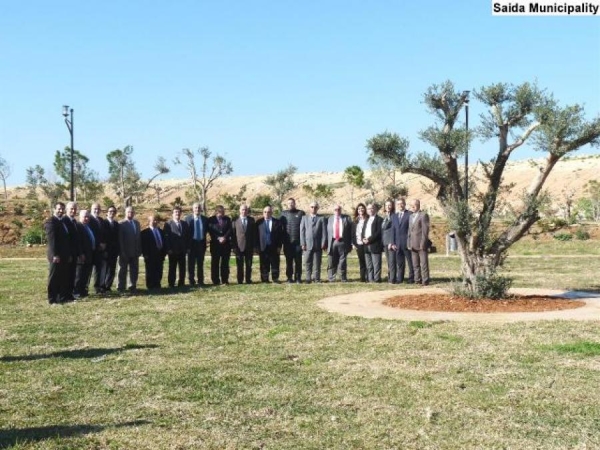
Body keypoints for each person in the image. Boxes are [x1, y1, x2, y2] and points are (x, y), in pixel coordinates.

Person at [44, 202, 71, 304]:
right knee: (54, 278)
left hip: (64, 255)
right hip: (56, 256)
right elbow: (52, 240)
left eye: (62, 209)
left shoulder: (62, 222)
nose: (61, 211)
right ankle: (52, 299)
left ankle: (61, 297)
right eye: (59, 209)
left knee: (62, 277)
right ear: (54, 209)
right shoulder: (51, 222)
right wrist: (54, 255)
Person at [299, 201, 327, 283]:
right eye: (312, 207)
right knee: (307, 262)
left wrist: (323, 243)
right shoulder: (304, 218)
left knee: (317, 263)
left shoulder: (322, 218)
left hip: (318, 245)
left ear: (317, 208)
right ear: (309, 208)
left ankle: (317, 278)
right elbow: (302, 232)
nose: (313, 208)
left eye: (315, 207)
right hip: (307, 245)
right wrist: (303, 243)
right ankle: (308, 278)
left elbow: (324, 232)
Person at [255, 205, 284, 283]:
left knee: (275, 263)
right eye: (265, 212)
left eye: (268, 212)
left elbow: (280, 235)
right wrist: (256, 247)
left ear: (271, 212)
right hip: (263, 247)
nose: (267, 213)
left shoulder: (277, 222)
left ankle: (275, 278)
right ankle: (265, 279)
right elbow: (256, 236)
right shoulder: (258, 222)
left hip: (274, 247)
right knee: (264, 264)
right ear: (263, 213)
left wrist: (279, 246)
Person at [163, 206, 190, 288]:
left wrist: (187, 248)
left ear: (181, 213)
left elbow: (187, 237)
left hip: (182, 250)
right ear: (172, 214)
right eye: (175, 212)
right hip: (172, 250)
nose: (177, 213)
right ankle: (171, 283)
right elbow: (166, 238)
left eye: (179, 212)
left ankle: (181, 283)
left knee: (182, 268)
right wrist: (168, 249)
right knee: (172, 267)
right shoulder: (168, 224)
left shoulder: (184, 224)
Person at [280, 198, 305, 283]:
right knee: (289, 262)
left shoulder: (301, 213)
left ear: (295, 203)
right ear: (287, 205)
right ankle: (289, 278)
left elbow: (304, 228)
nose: (290, 204)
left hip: (298, 242)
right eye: (289, 203)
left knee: (298, 261)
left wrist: (303, 242)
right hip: (288, 243)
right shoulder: (283, 214)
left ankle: (298, 278)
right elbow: (280, 229)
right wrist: (282, 242)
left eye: (292, 203)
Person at [118, 206, 142, 293]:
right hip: (125, 251)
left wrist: (139, 250)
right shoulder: (121, 224)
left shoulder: (137, 223)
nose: (130, 213)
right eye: (128, 212)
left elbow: (138, 238)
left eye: (132, 212)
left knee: (134, 270)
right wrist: (122, 251)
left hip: (135, 251)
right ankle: (121, 287)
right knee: (122, 270)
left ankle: (132, 286)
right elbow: (120, 239)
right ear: (125, 212)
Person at [407, 199, 430, 286]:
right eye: (411, 205)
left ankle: (425, 280)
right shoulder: (411, 216)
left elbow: (425, 231)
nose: (412, 207)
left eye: (414, 205)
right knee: (415, 264)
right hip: (413, 244)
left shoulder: (423, 215)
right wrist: (408, 243)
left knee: (424, 263)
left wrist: (423, 243)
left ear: (418, 205)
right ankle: (417, 279)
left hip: (421, 244)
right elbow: (409, 231)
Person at [207, 205, 232, 285]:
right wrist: (218, 238)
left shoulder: (227, 219)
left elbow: (230, 230)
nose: (222, 213)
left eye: (223, 212)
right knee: (215, 263)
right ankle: (215, 280)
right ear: (216, 212)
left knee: (225, 263)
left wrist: (225, 237)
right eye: (221, 212)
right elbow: (210, 231)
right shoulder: (211, 220)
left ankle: (225, 280)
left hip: (225, 244)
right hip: (215, 244)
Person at [326, 204, 352, 282]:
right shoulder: (329, 219)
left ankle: (343, 278)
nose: (337, 211)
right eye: (335, 209)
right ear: (333, 211)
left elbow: (351, 231)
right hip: (332, 242)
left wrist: (351, 243)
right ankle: (331, 278)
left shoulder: (346, 218)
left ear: (341, 210)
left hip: (343, 241)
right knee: (331, 261)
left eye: (339, 209)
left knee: (342, 261)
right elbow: (326, 232)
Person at [232, 204, 256, 284]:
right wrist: (234, 246)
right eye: (242, 209)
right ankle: (240, 280)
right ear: (239, 210)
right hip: (239, 246)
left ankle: (248, 279)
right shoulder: (235, 220)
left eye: (245, 210)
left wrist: (254, 246)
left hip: (249, 246)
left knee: (249, 264)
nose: (244, 211)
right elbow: (233, 234)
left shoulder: (251, 220)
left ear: (247, 211)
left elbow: (254, 234)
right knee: (239, 265)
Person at [185, 202, 209, 286]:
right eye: (195, 208)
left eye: (198, 208)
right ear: (193, 209)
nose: (197, 209)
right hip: (191, 244)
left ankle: (200, 281)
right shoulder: (188, 219)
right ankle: (191, 281)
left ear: (201, 209)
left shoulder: (205, 219)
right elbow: (186, 233)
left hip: (201, 244)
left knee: (200, 263)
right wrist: (187, 246)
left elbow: (207, 231)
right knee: (191, 264)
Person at [74, 209, 95, 298]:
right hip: (81, 255)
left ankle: (83, 291)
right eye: (84, 217)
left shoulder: (88, 226)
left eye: (88, 217)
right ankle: (76, 292)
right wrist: (81, 253)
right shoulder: (78, 226)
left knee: (86, 275)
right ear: (80, 217)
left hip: (89, 254)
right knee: (79, 275)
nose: (86, 218)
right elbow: (78, 242)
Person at [141, 215, 166, 290]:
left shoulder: (161, 231)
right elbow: (143, 245)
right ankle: (150, 286)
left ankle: (157, 284)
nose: (155, 222)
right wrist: (145, 254)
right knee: (150, 271)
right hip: (150, 255)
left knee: (159, 270)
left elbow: (164, 242)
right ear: (149, 221)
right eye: (153, 220)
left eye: (156, 220)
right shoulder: (144, 232)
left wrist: (164, 253)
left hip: (160, 254)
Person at [63, 201, 80, 300]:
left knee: (72, 274)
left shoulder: (74, 222)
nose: (73, 211)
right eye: (71, 209)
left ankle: (70, 294)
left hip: (74, 253)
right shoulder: (64, 221)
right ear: (66, 210)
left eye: (75, 209)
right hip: (67, 254)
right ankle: (65, 294)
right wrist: (68, 254)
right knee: (66, 275)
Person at [362, 203, 383, 283]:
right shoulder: (366, 220)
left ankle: (377, 279)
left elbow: (378, 232)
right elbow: (363, 231)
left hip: (375, 244)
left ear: (375, 209)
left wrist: (369, 239)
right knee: (369, 264)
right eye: (368, 209)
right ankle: (370, 279)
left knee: (376, 264)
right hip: (366, 245)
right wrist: (363, 238)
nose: (370, 210)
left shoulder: (379, 220)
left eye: (372, 208)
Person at [394, 197, 414, 284]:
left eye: (401, 203)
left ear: (405, 204)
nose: (400, 205)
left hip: (407, 242)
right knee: (400, 263)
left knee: (410, 262)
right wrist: (393, 242)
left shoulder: (410, 214)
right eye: (398, 204)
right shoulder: (394, 216)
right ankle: (400, 278)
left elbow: (412, 229)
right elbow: (393, 230)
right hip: (397, 244)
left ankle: (412, 278)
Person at [89, 202, 107, 294]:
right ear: (91, 209)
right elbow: (90, 235)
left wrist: (104, 244)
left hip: (101, 249)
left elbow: (103, 234)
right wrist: (97, 244)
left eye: (98, 209)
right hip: (92, 248)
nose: (96, 210)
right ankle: (84, 287)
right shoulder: (88, 219)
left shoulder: (101, 220)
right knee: (89, 270)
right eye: (95, 209)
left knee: (99, 269)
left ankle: (98, 286)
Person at [103, 205, 120, 291]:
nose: (112, 213)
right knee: (104, 269)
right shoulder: (103, 223)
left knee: (112, 269)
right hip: (105, 250)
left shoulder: (116, 224)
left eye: (114, 211)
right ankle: (102, 286)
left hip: (114, 251)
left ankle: (108, 286)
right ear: (107, 213)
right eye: (110, 211)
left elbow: (118, 238)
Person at [381, 200, 397, 284]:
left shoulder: (394, 216)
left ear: (392, 206)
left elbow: (394, 230)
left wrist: (392, 242)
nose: (388, 207)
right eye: (386, 205)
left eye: (389, 205)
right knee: (388, 261)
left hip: (391, 242)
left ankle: (392, 279)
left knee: (392, 261)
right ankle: (390, 276)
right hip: (385, 242)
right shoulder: (385, 216)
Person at [351, 203, 368, 283]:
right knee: (361, 261)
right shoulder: (355, 221)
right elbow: (352, 233)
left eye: (362, 208)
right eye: (359, 209)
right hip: (358, 244)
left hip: (367, 243)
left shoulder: (368, 219)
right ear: (357, 210)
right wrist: (353, 244)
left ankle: (369, 276)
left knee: (368, 260)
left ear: (364, 209)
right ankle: (362, 278)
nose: (360, 210)